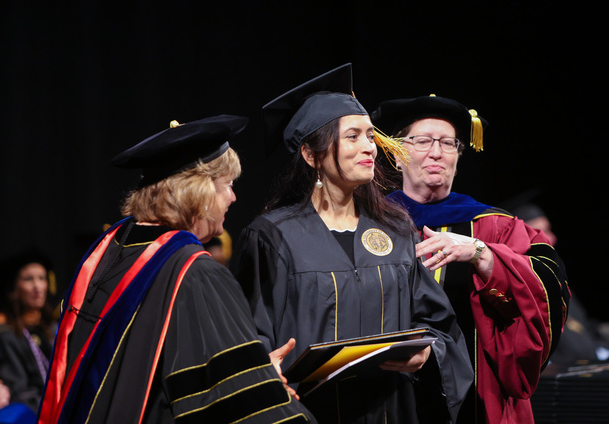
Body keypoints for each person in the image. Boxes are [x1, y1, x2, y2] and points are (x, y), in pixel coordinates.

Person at [230, 64, 473, 423]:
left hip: (390, 410)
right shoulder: (273, 236)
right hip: (307, 412)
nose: (370, 148)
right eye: (353, 137)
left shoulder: (396, 230)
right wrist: (266, 373)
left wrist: (428, 351)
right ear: (312, 156)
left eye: (371, 136)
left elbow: (438, 323)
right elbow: (250, 335)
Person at [37, 115, 314, 424]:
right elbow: (235, 402)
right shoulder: (196, 274)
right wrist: (265, 384)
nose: (233, 198)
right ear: (200, 193)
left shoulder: (109, 250)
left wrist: (255, 370)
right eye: (228, 186)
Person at [370, 95, 570, 424]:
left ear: (459, 156)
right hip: (389, 392)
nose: (436, 152)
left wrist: (482, 253)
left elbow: (548, 282)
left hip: (479, 394)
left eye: (449, 143)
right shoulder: (370, 223)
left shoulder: (495, 225)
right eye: (422, 141)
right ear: (396, 153)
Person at [0, 251, 55, 416]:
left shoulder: (50, 329)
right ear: (14, 287)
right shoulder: (6, 334)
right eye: (28, 279)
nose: (37, 286)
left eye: (42, 278)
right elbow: (20, 392)